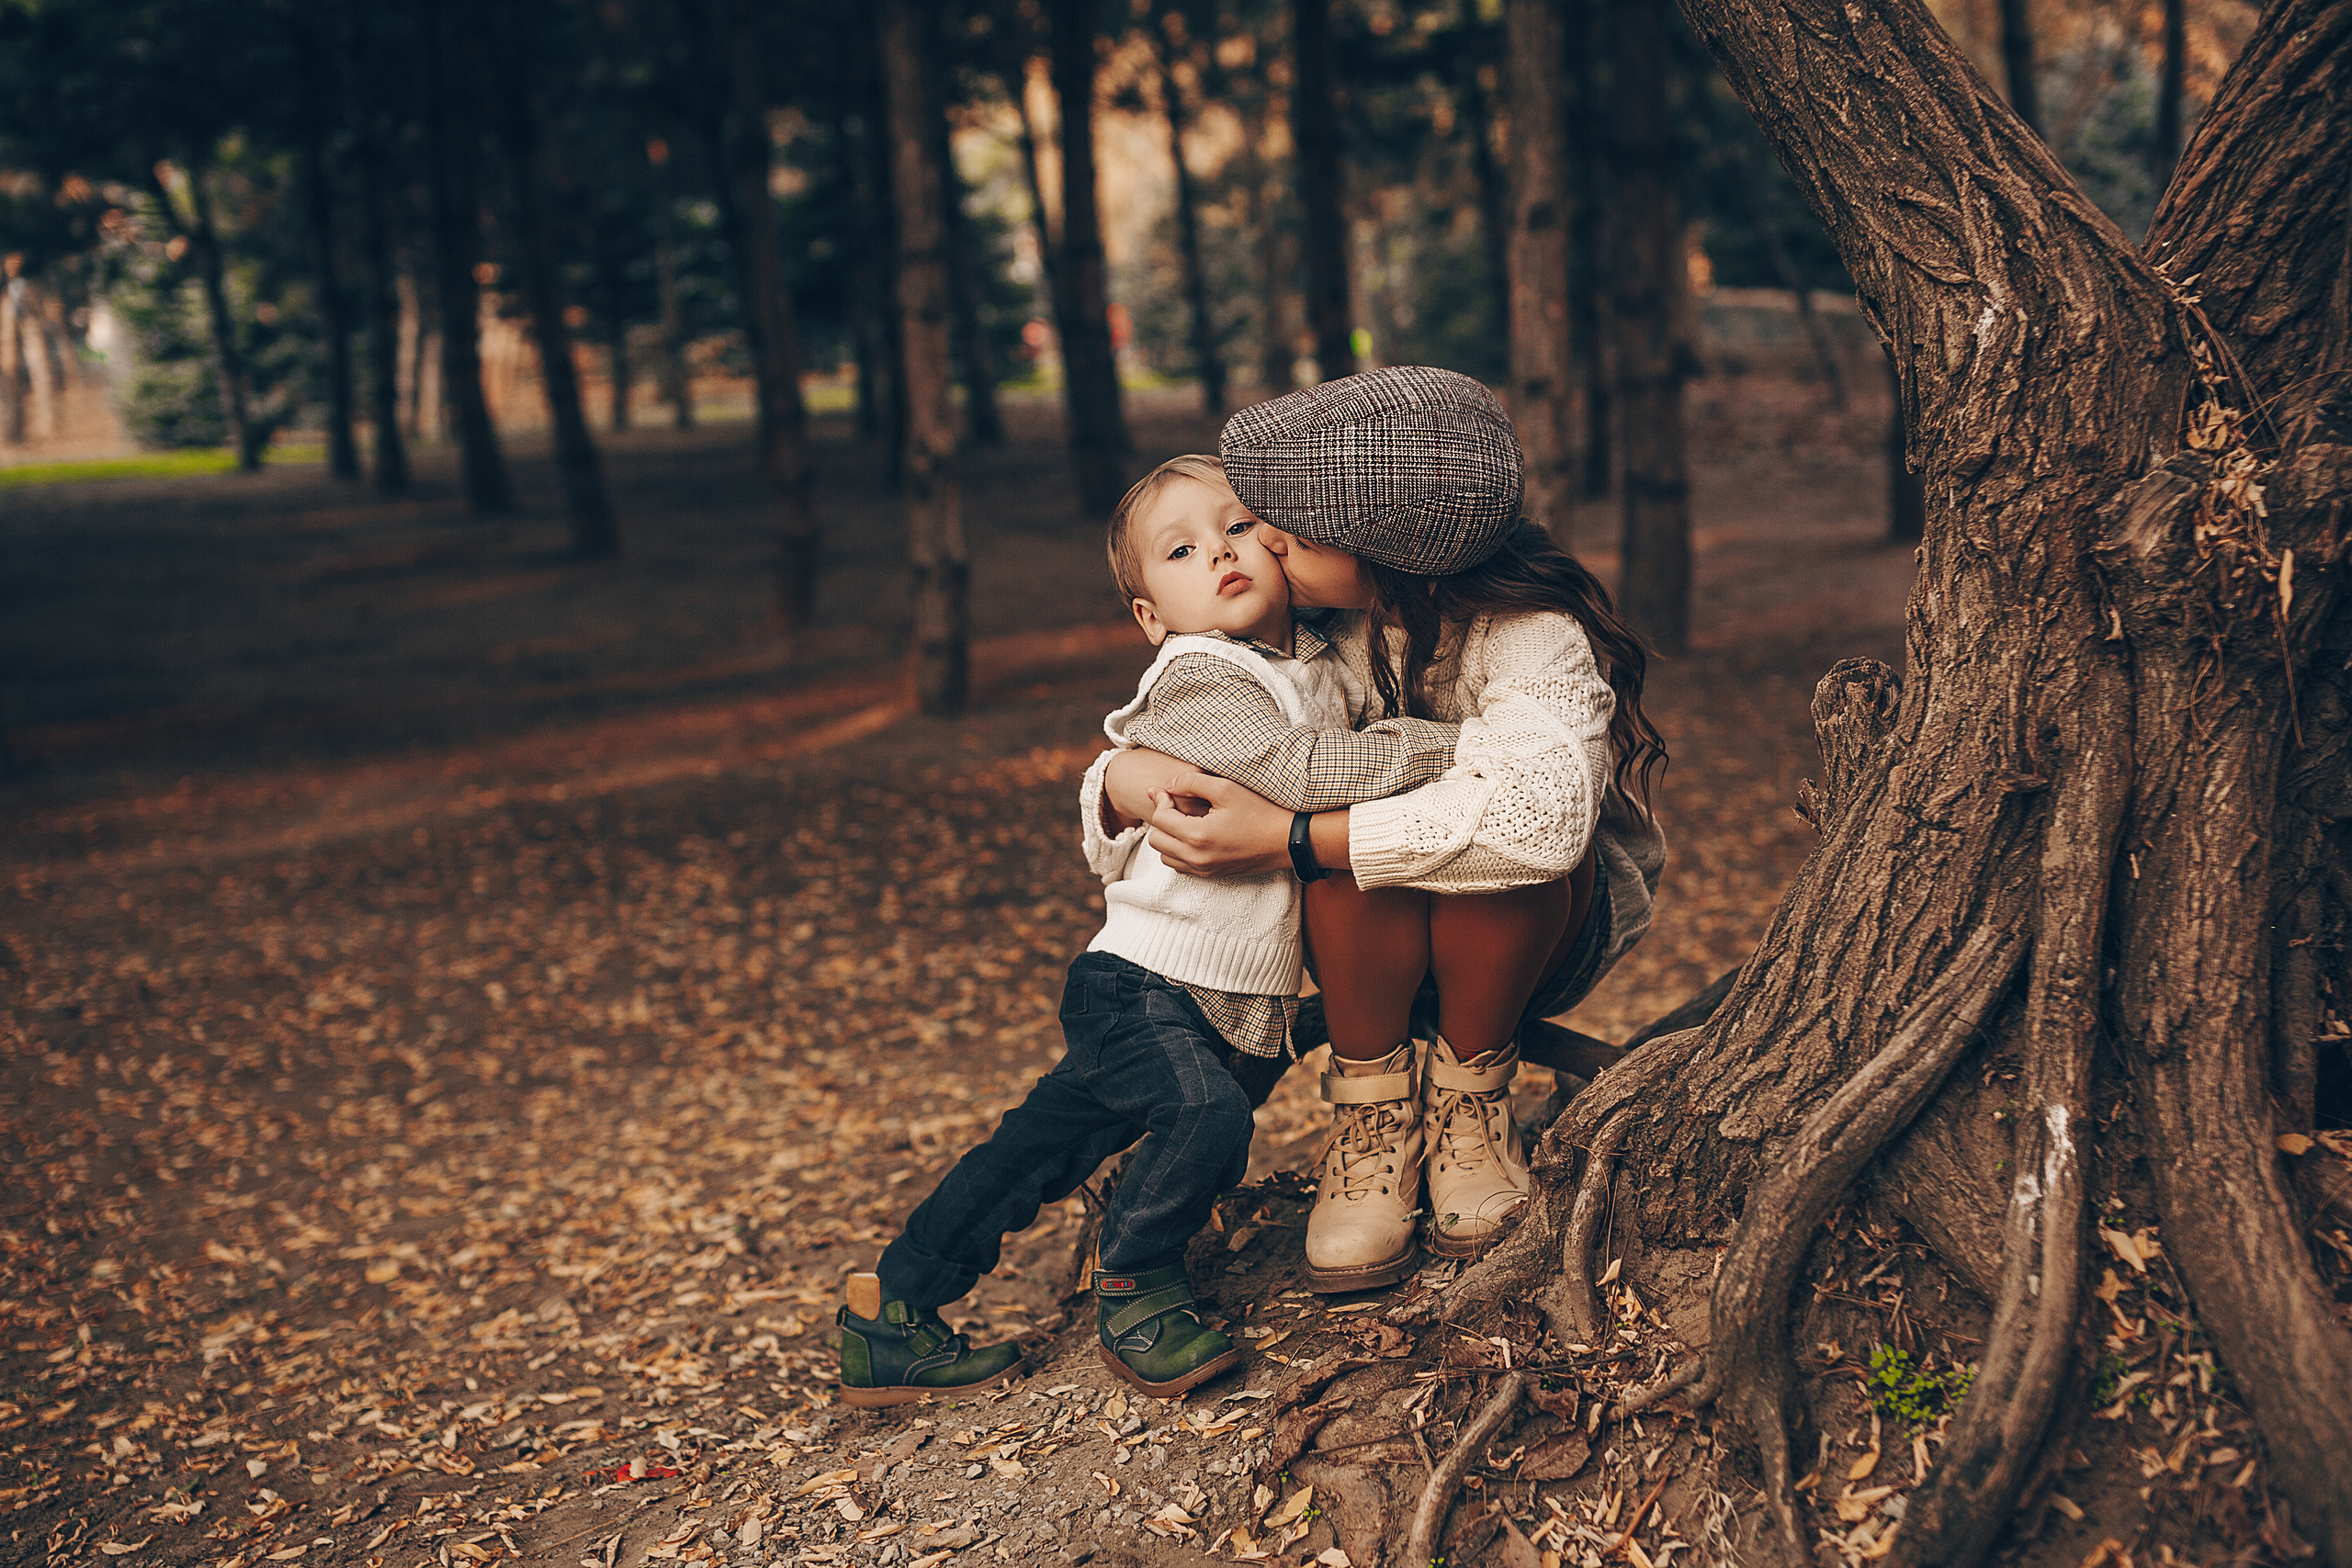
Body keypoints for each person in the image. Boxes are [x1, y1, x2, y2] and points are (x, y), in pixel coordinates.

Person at [836, 454, 1465, 1406]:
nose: (1220, 551)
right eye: (1182, 550)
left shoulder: (1301, 660)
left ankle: (893, 1311)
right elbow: (1297, 775)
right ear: (1149, 616)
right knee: (1205, 1116)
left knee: (1033, 1154)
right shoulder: (1197, 674)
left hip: (1211, 990)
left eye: (1240, 526)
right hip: (1140, 985)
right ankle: (1137, 1288)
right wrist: (1458, 748)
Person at [1101, 366, 1668, 1293]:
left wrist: (1287, 839)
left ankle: (1470, 1102)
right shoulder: (1313, 616)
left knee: (1479, 851)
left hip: (1536, 930)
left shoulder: (1531, 634)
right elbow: (1195, 701)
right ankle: (1373, 1119)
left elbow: (1534, 820)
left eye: (1287, 531)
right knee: (1349, 848)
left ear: (1382, 554)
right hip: (1371, 947)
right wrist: (1118, 775)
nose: (1266, 542)